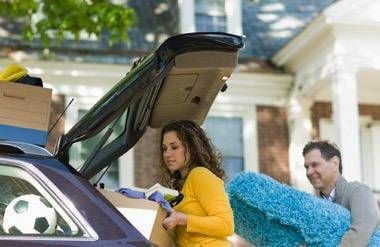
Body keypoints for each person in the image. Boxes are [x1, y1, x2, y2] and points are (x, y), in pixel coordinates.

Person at [159, 119, 234, 246]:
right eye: (164, 149)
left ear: (192, 148)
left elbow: (226, 224)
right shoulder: (182, 186)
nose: (167, 154)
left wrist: (182, 219)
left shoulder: (200, 175)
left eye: (174, 147)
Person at [302, 139, 380, 246]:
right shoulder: (313, 206)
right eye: (306, 167)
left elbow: (361, 232)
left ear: (335, 163)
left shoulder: (358, 191)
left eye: (315, 165)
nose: (308, 172)